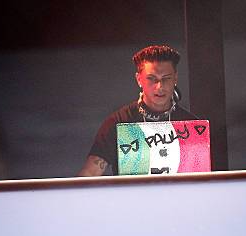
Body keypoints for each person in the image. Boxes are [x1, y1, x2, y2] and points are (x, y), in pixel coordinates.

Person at [78, 45, 197, 176]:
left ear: (175, 78)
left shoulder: (192, 126)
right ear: (139, 79)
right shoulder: (119, 122)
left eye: (166, 78)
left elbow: (204, 180)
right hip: (131, 197)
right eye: (152, 78)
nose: (160, 86)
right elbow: (89, 174)